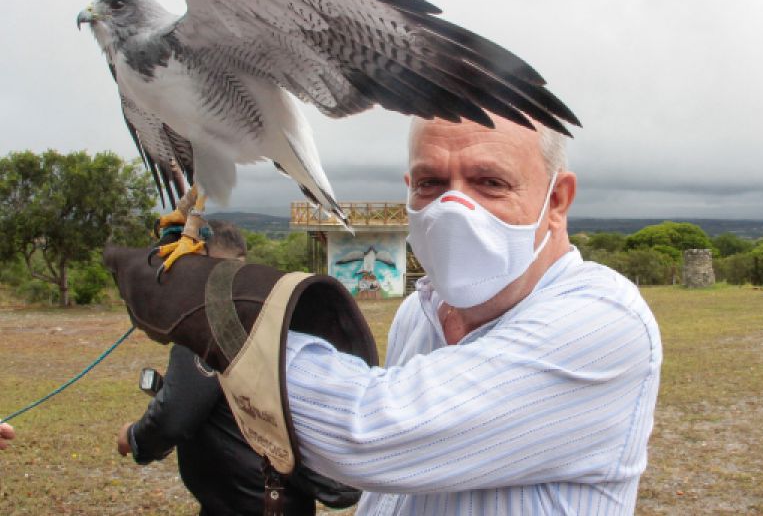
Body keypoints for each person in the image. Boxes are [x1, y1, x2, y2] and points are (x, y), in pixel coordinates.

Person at [107, 115, 662, 515]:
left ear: (557, 200)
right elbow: (388, 489)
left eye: (490, 182)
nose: (454, 207)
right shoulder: (420, 312)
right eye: (430, 183)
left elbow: (372, 432)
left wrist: (224, 311)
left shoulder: (603, 322)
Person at [116, 221, 317, 515]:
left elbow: (175, 415)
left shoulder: (209, 322)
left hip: (250, 502)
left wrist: (134, 438)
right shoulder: (264, 310)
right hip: (278, 497)